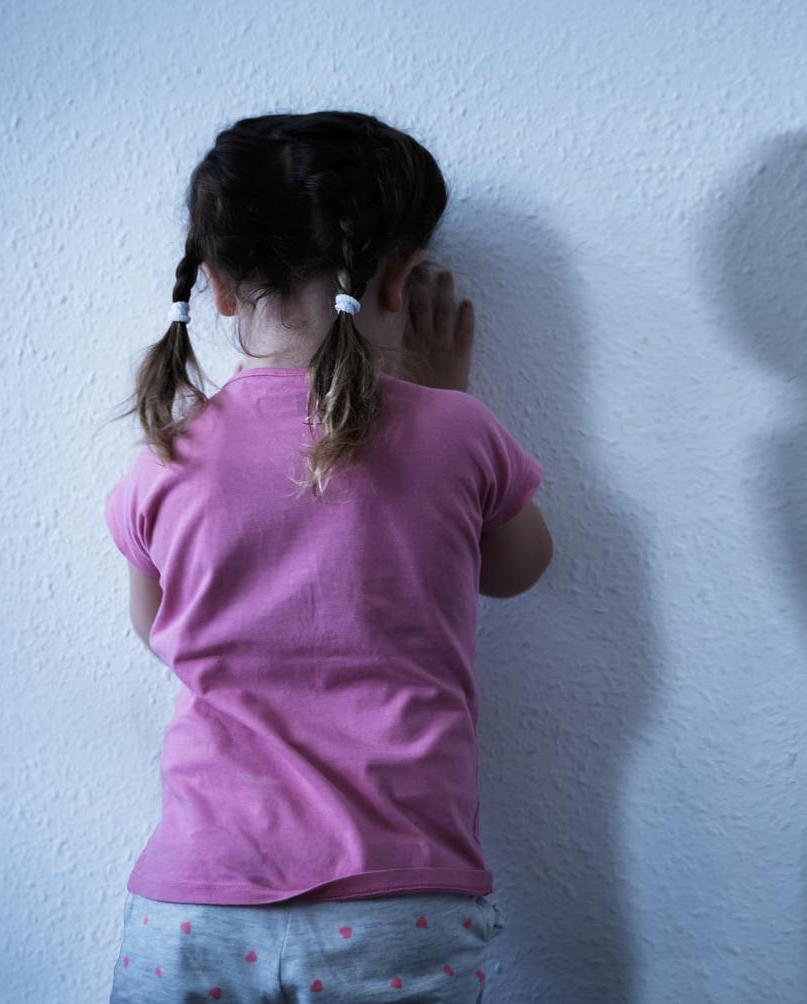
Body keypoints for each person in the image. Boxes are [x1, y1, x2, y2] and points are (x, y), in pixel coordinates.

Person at [103, 111, 553, 1003]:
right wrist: (437, 403)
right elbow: (518, 567)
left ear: (220, 287)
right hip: (399, 899)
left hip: (196, 902)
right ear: (400, 278)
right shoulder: (456, 433)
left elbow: (157, 627)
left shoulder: (163, 458)